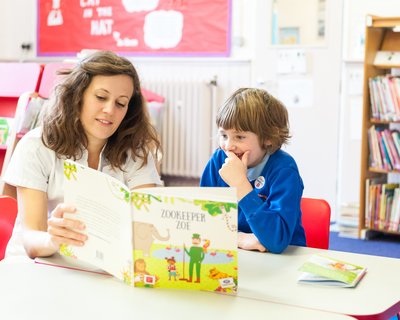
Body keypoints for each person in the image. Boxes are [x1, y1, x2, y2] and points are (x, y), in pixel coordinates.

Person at [4, 50, 162, 259]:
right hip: (40, 264)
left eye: (121, 103)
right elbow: (32, 240)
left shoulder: (135, 152)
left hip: (100, 266)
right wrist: (53, 239)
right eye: (101, 97)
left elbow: (145, 222)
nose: (109, 110)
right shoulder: (36, 145)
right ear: (77, 96)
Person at [200, 88, 306, 254]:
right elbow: (203, 223)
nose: (228, 146)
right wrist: (240, 239)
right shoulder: (218, 161)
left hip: (281, 259)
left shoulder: (284, 169)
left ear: (268, 137)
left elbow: (275, 241)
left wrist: (241, 184)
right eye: (224, 135)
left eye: (240, 137)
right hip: (236, 253)